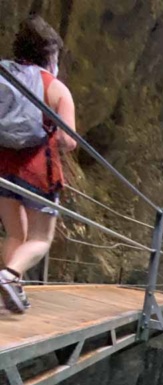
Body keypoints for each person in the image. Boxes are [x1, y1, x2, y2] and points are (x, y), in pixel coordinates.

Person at [0, 14, 77, 314]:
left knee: (15, 235)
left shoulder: (5, 76)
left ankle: (11, 291)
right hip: (37, 172)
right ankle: (9, 277)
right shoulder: (55, 88)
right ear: (50, 56)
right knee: (40, 239)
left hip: (3, 168)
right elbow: (68, 140)